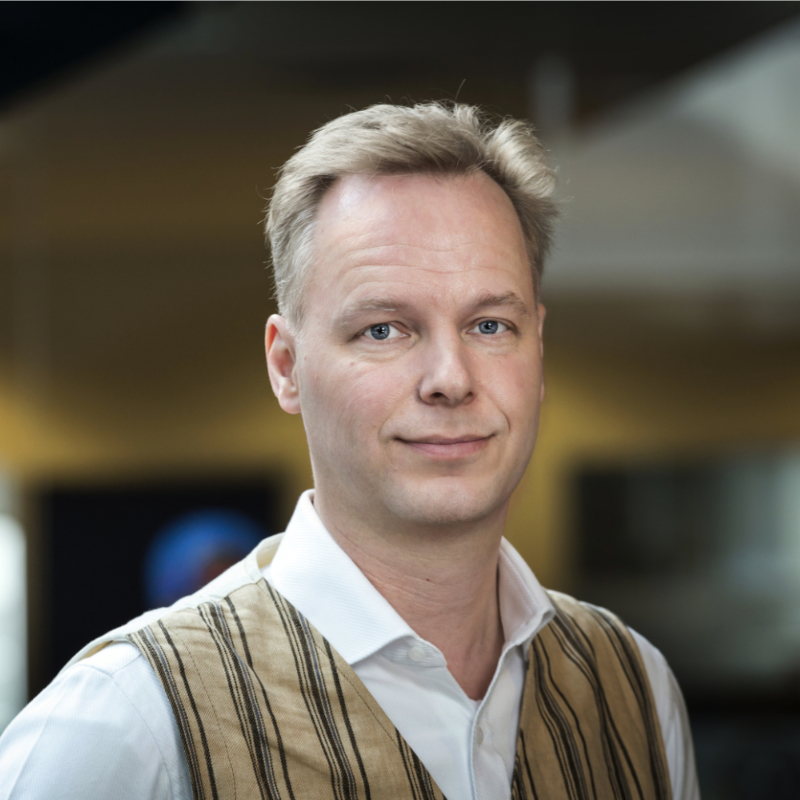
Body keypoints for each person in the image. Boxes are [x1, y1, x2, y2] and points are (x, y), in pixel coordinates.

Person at [0, 103, 700, 800]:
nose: (451, 379)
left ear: (537, 348)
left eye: (490, 325)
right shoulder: (129, 721)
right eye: (383, 330)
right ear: (286, 366)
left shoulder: (636, 688)